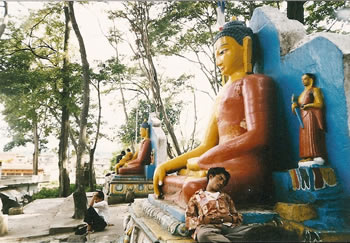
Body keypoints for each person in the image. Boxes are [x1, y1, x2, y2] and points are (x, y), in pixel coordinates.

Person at [153, 19, 274, 207]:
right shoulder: (221, 95)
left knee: (193, 187)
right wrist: (166, 166)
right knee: (168, 180)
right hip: (217, 164)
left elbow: (258, 136)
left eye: (223, 51)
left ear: (246, 47)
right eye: (216, 54)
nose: (218, 61)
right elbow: (206, 145)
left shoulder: (254, 82)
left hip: (245, 167)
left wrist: (204, 161)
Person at [186, 167, 255, 242]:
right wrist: (203, 220)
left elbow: (236, 216)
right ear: (211, 177)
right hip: (208, 228)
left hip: (229, 227)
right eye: (220, 178)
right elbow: (189, 218)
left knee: (251, 230)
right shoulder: (196, 197)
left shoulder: (226, 197)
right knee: (203, 235)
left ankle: (221, 239)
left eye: (224, 182)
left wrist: (230, 219)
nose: (222, 183)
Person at [292, 73, 326, 163]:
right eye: (302, 79)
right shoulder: (302, 93)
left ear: (311, 80)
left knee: (311, 135)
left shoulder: (314, 90)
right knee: (304, 136)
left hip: (311, 116)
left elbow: (319, 104)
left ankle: (314, 154)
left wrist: (308, 105)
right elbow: (298, 109)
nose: (303, 81)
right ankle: (306, 155)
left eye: (305, 79)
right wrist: (294, 106)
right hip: (303, 117)